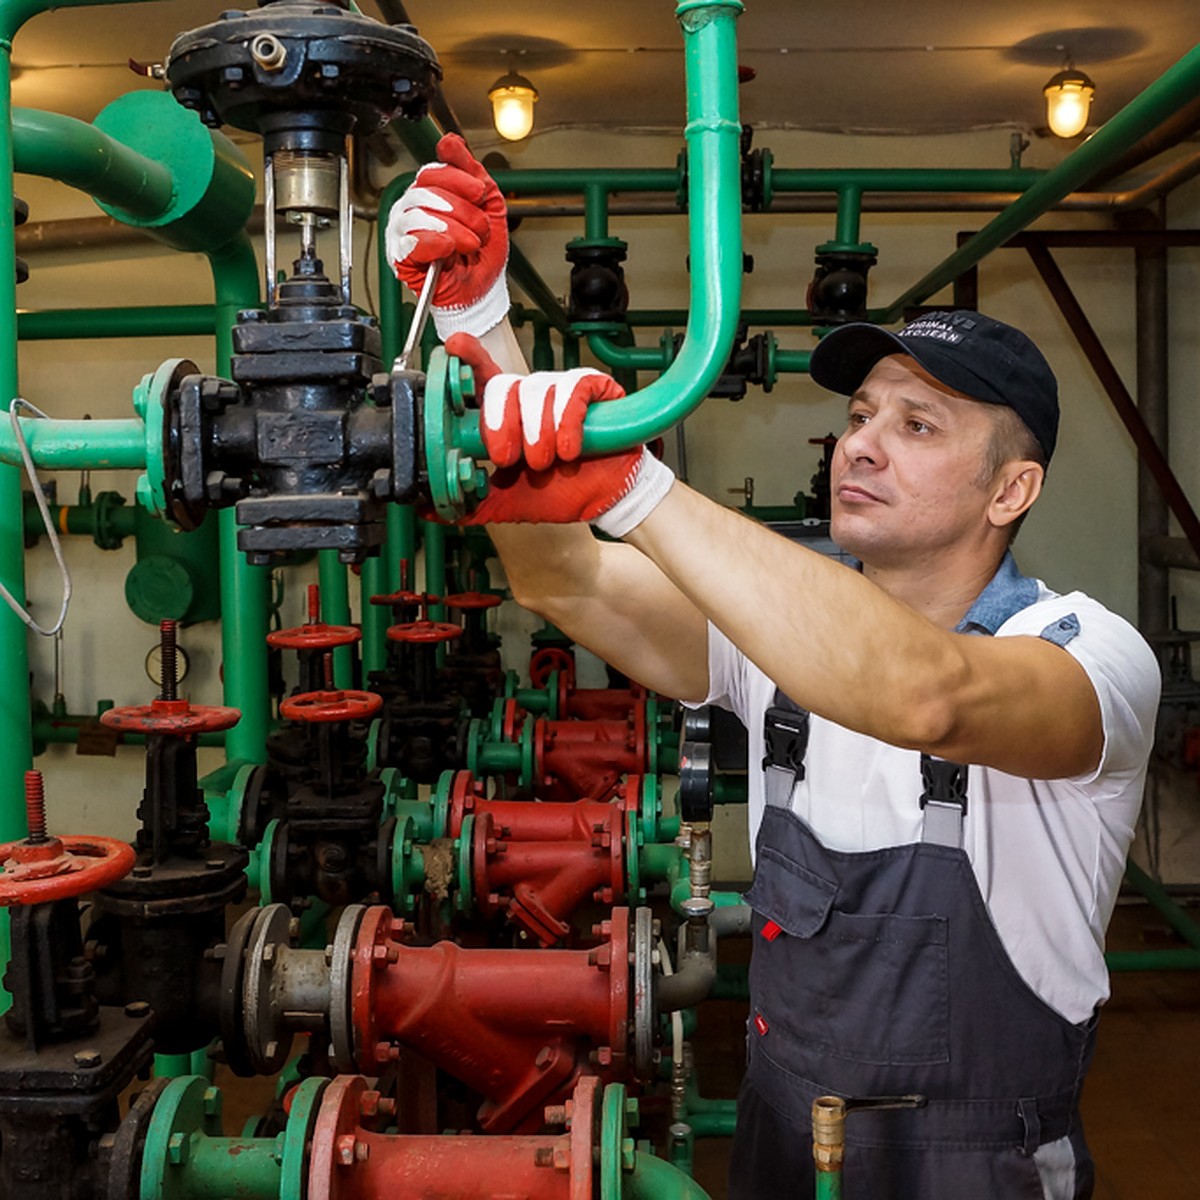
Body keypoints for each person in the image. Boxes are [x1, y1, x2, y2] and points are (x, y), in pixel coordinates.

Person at [387, 135, 1161, 1200]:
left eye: (917, 423)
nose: (861, 445)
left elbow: (931, 694)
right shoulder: (777, 641)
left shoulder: (1090, 655)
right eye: (856, 417)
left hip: (974, 1170)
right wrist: (484, 335)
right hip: (782, 1138)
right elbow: (567, 582)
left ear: (1010, 491)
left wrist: (639, 493)